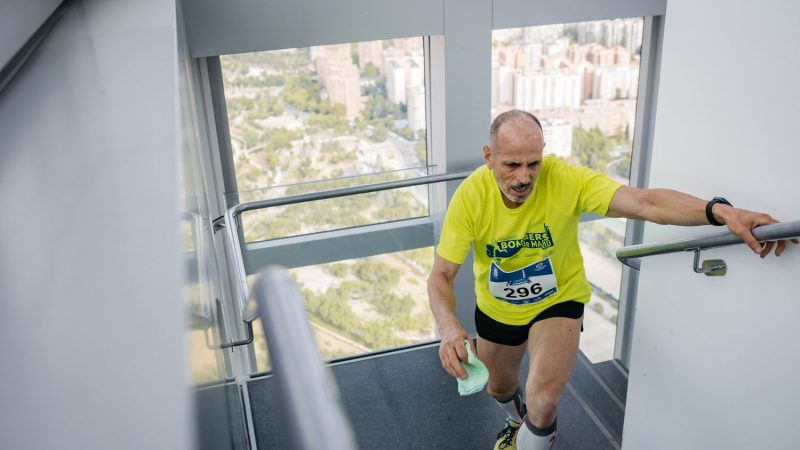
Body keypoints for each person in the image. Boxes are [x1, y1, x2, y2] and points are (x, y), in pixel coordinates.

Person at [427, 109, 795, 450]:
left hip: (557, 301)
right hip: (499, 308)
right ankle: (514, 422)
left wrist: (722, 212)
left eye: (533, 164)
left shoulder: (565, 180)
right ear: (489, 157)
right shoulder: (471, 197)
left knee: (543, 401)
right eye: (512, 165)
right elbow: (442, 274)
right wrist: (447, 325)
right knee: (499, 388)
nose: (524, 177)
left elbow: (647, 203)